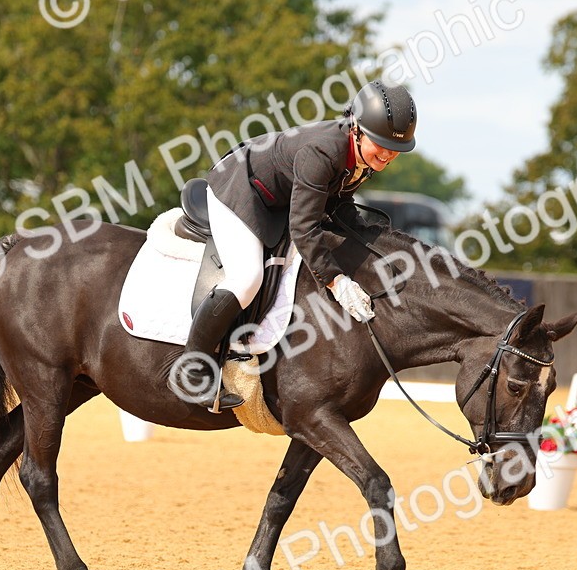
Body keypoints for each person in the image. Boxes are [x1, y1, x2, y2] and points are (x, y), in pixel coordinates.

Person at [170, 80, 418, 410]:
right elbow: (303, 227)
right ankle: (193, 370)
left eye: (394, 150)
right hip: (240, 188)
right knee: (247, 278)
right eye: (381, 145)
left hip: (278, 198)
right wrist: (336, 281)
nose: (387, 155)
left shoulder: (362, 154)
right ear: (356, 129)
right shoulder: (323, 151)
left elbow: (338, 203)